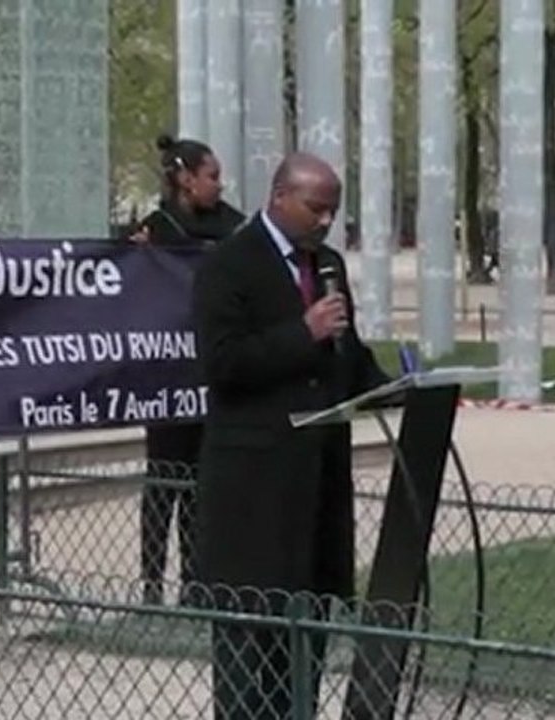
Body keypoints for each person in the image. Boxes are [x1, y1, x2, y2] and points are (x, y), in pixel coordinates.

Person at [192, 152, 390, 719]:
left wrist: (400, 386)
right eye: (316, 208)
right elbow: (223, 365)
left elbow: (344, 357)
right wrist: (301, 333)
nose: (326, 221)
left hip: (318, 479)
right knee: (249, 633)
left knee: (307, 629)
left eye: (333, 210)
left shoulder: (326, 265)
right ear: (280, 196)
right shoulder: (229, 264)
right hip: (253, 485)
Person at [133, 134, 244, 606]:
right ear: (184, 178)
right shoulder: (153, 229)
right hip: (166, 381)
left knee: (201, 487)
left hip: (210, 375)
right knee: (162, 482)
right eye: (211, 176)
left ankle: (197, 585)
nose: (218, 185)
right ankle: (152, 583)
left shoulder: (234, 226)